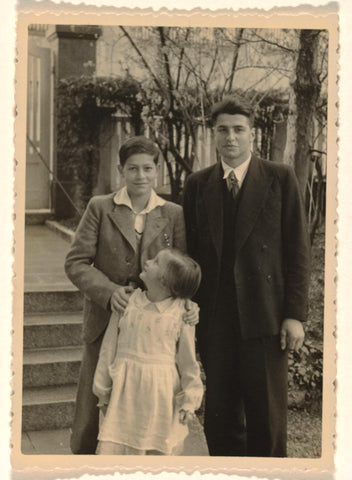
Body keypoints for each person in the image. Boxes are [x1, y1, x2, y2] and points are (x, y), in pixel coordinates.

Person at [183, 97, 311, 457]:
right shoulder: (198, 184)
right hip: (216, 321)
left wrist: (294, 314)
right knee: (220, 421)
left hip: (266, 318)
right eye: (222, 130)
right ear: (213, 134)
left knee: (267, 420)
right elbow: (189, 255)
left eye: (239, 129)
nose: (231, 137)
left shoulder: (280, 177)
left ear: (252, 134)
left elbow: (298, 250)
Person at [65, 136, 197, 454]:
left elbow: (182, 269)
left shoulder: (173, 213)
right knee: (96, 405)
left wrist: (188, 304)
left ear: (157, 170)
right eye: (133, 169)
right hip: (106, 320)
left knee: (148, 411)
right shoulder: (101, 207)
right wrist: (109, 293)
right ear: (121, 169)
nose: (141, 176)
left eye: (148, 168)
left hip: (154, 331)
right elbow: (76, 262)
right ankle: (87, 465)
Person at [93, 248, 203, 455]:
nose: (148, 261)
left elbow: (188, 362)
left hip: (160, 397)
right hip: (125, 393)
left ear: (163, 280)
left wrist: (189, 400)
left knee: (156, 450)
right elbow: (109, 348)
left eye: (155, 261)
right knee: (118, 449)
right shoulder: (128, 302)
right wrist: (102, 390)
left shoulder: (181, 314)